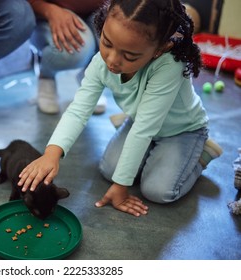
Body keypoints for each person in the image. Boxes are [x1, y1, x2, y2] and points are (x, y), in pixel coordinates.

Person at [18, 0, 223, 217]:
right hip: (140, 121)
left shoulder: (170, 65)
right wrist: (52, 153)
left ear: (160, 48)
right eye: (106, 42)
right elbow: (79, 109)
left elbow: (144, 128)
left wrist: (121, 186)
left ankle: (202, 154)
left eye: (129, 56)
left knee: (158, 191)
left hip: (181, 130)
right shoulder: (101, 62)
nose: (112, 61)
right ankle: (143, 138)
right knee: (109, 170)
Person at [28, 0, 107, 115]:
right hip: (50, 11)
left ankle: (91, 77)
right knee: (76, 48)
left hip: (99, 9)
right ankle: (46, 76)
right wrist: (49, 10)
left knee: (117, 40)